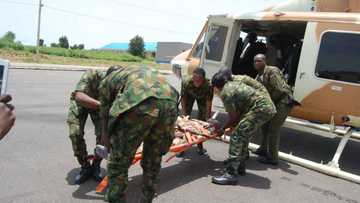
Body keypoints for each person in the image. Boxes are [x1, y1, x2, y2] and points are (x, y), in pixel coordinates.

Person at [99, 66, 179, 203]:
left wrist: (106, 139)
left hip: (140, 103)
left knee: (118, 164)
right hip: (170, 103)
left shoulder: (107, 81)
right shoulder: (138, 71)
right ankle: (147, 199)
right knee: (152, 160)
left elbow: (105, 114)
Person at [209, 70, 276, 185]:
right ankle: (240, 166)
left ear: (216, 86)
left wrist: (222, 129)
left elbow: (233, 117)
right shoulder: (232, 84)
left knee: (236, 136)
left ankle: (230, 174)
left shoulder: (225, 93)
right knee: (243, 134)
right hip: (265, 107)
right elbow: (238, 112)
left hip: (261, 109)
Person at [67, 67, 117, 184]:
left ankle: (96, 165)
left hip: (100, 107)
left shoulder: (117, 87)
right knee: (75, 133)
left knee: (103, 135)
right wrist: (103, 105)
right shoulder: (92, 74)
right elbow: (79, 97)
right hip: (81, 103)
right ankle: (85, 167)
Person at [253, 54, 294, 165]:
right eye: (255, 61)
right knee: (265, 125)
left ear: (265, 61)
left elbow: (280, 90)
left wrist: (269, 100)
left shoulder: (272, 71)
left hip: (283, 102)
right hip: (275, 102)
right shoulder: (259, 75)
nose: (256, 63)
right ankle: (263, 149)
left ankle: (273, 158)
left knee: (273, 130)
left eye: (259, 60)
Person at [179, 68, 213, 156]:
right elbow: (183, 98)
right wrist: (184, 112)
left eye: (199, 81)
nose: (197, 83)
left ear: (203, 79)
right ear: (192, 78)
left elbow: (208, 102)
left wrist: (207, 117)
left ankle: (200, 145)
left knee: (202, 122)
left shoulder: (208, 85)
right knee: (183, 122)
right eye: (195, 80)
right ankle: (181, 147)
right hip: (189, 96)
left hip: (202, 97)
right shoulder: (186, 82)